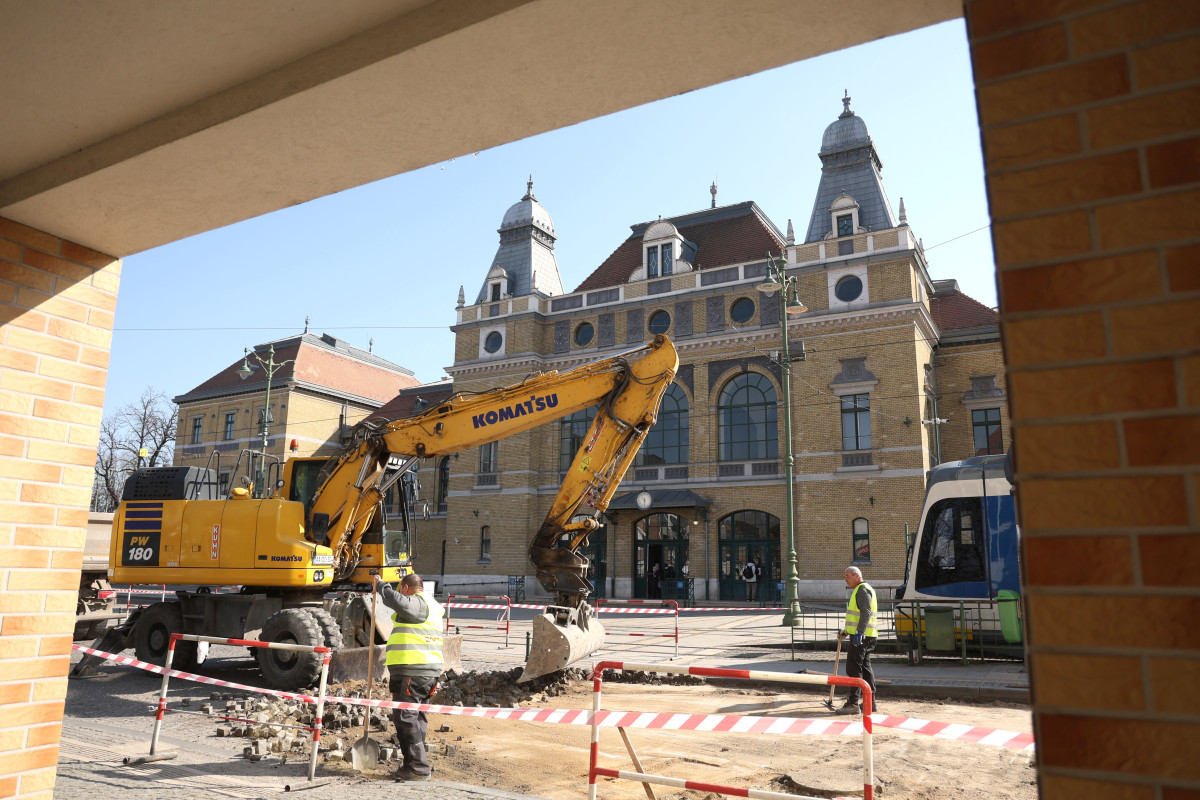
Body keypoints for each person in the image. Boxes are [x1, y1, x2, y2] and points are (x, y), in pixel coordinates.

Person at [374, 572, 445, 781]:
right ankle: (412, 764)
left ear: (405, 588)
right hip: (426, 671)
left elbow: (396, 601)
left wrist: (380, 586)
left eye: (400, 591)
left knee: (406, 718)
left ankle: (418, 768)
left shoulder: (418, 603)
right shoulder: (431, 606)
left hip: (413, 671)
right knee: (417, 718)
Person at [837, 566, 878, 715]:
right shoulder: (866, 589)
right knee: (865, 668)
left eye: (847, 576)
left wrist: (859, 634)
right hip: (868, 635)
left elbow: (865, 612)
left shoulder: (861, 590)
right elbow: (858, 616)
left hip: (862, 637)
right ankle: (870, 702)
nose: (845, 579)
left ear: (856, 576)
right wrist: (847, 631)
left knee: (853, 668)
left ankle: (853, 703)